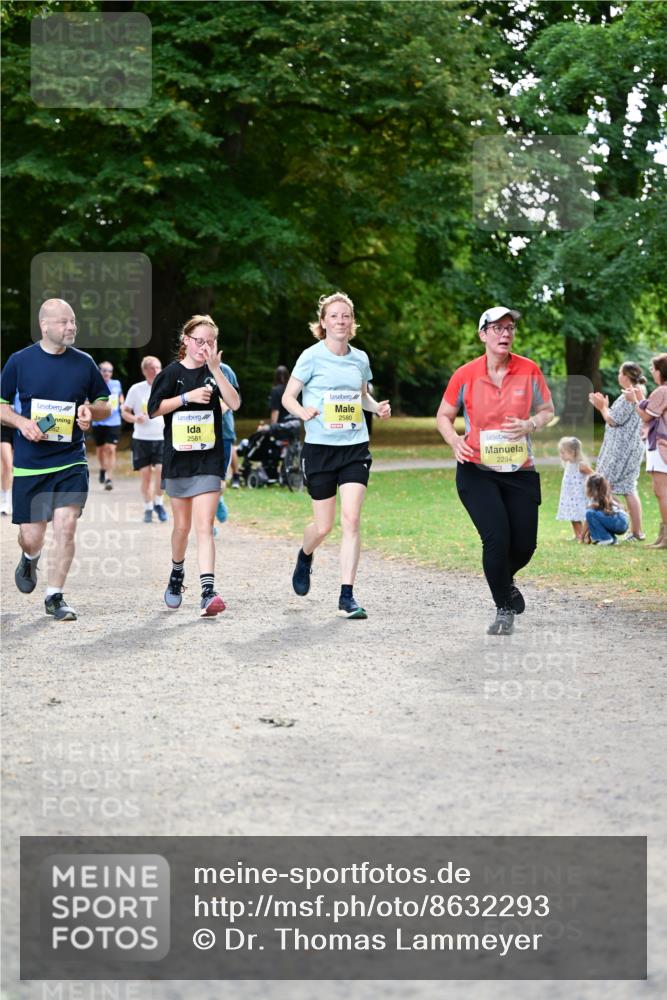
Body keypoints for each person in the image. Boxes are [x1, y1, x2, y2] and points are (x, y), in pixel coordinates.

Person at [436, 306, 555, 636]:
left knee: (524, 546)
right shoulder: (465, 374)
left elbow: (547, 410)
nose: (505, 333)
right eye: (498, 328)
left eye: (510, 328)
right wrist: (453, 441)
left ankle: (503, 577)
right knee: (497, 539)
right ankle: (503, 605)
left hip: (520, 469)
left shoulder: (529, 370)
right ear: (483, 334)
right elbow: (443, 416)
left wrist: (531, 422)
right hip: (477, 469)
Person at [281, 291, 391, 619]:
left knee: (352, 519)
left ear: (352, 322)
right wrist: (303, 411)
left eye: (346, 316)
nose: (341, 321)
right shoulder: (311, 356)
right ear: (323, 323)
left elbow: (362, 398)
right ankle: (305, 554)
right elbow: (288, 397)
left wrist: (377, 406)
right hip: (321, 450)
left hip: (355, 448)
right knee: (323, 526)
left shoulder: (360, 359)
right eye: (334, 316)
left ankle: (347, 596)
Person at [0, 298, 111, 621]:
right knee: (32, 535)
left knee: (66, 525)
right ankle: (29, 555)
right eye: (64, 322)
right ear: (44, 326)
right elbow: (1, 404)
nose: (71, 327)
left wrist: (93, 412)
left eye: (73, 321)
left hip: (70, 460)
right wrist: (22, 423)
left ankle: (55, 596)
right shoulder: (19, 362)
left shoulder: (84, 362)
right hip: (31, 463)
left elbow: (105, 402)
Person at [147, 314, 240, 616]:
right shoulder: (171, 373)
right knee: (182, 528)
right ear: (186, 340)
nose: (205, 347)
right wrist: (186, 397)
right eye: (200, 341)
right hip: (178, 461)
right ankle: (176, 574)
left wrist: (215, 370)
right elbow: (153, 410)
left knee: (205, 527)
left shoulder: (217, 371)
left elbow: (235, 404)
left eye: (211, 342)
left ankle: (207, 591)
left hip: (209, 459)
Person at [588, 361, 647, 541]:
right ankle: (636, 532)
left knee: (606, 485)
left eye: (620, 372)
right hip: (632, 448)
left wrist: (602, 407)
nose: (618, 376)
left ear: (626, 375)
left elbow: (613, 420)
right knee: (630, 488)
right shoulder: (639, 391)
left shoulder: (630, 394)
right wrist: (606, 406)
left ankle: (605, 529)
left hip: (620, 451)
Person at [122, 356, 168, 523]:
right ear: (144, 371)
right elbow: (124, 412)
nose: (155, 370)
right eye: (151, 368)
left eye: (157, 367)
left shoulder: (166, 387)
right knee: (146, 476)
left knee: (162, 472)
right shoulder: (136, 389)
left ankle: (159, 503)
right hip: (141, 439)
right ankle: (148, 507)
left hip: (161, 438)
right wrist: (135, 419)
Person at [634, 353, 667, 549]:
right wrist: (640, 398)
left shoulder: (662, 391)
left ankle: (666, 538)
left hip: (661, 444)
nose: (652, 372)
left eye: (653, 369)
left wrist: (635, 400)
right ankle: (662, 536)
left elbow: (647, 416)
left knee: (661, 491)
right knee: (660, 491)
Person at [91, 360, 123, 491]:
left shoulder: (116, 384)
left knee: (110, 448)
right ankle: (103, 468)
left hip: (114, 421)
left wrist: (123, 404)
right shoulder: (93, 384)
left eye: (110, 371)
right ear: (100, 372)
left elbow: (121, 397)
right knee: (100, 450)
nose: (107, 373)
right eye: (104, 370)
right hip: (98, 422)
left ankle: (109, 478)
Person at [556, 436, 593, 542]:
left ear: (572, 452)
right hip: (569, 495)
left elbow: (594, 475)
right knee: (572, 515)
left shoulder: (581, 465)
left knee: (579, 515)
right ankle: (577, 534)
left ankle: (584, 534)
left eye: (563, 452)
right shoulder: (569, 464)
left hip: (579, 496)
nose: (561, 455)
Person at [585, 473, 630, 545]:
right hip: (624, 522)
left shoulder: (595, 500)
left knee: (589, 513)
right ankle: (612, 539)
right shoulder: (608, 494)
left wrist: (582, 536)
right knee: (600, 516)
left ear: (591, 488)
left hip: (617, 522)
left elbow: (588, 521)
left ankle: (605, 538)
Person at [1, 420, 14, 516]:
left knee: (16, 467)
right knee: (7, 465)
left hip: (21, 428)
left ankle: (14, 499)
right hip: (4, 428)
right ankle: (6, 501)